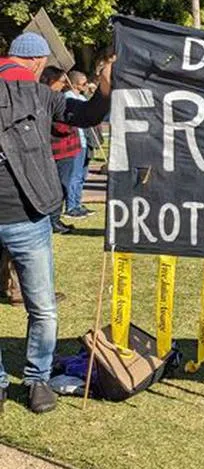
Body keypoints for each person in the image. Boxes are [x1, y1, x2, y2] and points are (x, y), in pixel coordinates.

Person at [0, 32, 113, 414]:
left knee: (43, 305)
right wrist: (105, 91)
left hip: (28, 213)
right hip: (28, 215)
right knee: (42, 306)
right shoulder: (38, 92)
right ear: (36, 62)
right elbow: (87, 116)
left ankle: (18, 381)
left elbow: (82, 116)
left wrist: (103, 92)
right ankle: (36, 381)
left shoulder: (39, 93)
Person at [39, 68, 81, 235]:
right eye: (62, 82)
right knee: (59, 186)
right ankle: (53, 220)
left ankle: (55, 219)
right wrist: (74, 120)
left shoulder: (53, 97)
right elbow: (60, 127)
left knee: (61, 185)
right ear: (52, 81)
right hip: (59, 151)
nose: (64, 85)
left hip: (66, 150)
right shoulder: (49, 99)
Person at [63, 70, 93, 218]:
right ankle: (71, 206)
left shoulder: (81, 97)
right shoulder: (68, 98)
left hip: (86, 140)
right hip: (75, 141)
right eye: (84, 83)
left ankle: (78, 202)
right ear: (74, 84)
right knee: (74, 176)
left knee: (82, 175)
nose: (86, 85)